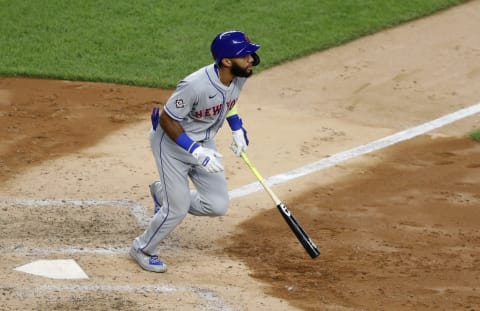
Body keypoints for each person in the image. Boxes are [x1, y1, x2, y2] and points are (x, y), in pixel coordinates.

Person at [130, 30, 261, 273]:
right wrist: (196, 151)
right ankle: (143, 248)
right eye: (245, 56)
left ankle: (162, 193)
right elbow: (168, 120)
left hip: (204, 143)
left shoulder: (239, 76)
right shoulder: (194, 85)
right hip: (170, 144)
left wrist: (237, 129)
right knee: (176, 209)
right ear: (226, 61)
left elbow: (228, 101)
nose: (251, 59)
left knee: (217, 205)